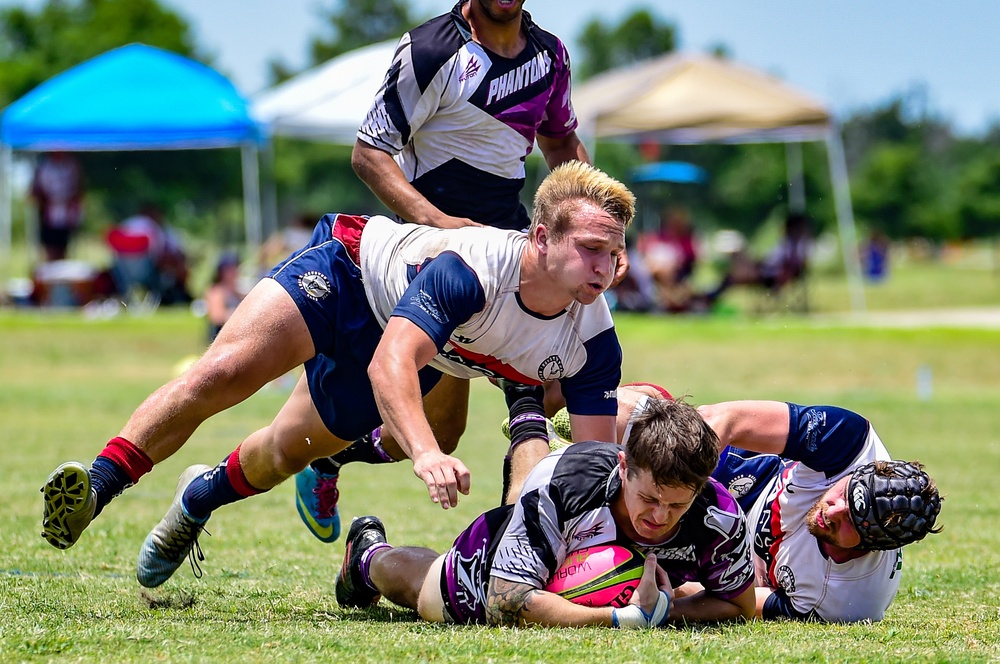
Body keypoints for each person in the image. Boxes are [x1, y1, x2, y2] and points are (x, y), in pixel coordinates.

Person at [39, 161, 634, 590]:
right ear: (540, 237)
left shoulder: (593, 339)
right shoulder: (475, 270)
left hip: (414, 341)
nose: (604, 268)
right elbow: (391, 362)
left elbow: (592, 462)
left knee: (281, 454)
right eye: (589, 249)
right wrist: (424, 454)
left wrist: (612, 551)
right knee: (220, 375)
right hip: (348, 277)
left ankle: (197, 499)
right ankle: (95, 487)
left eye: (614, 253)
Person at [296, 0, 629, 544]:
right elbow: (369, 155)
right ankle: (330, 461)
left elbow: (563, 144)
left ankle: (529, 546)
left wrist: (607, 231)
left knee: (527, 395)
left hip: (514, 253)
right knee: (443, 428)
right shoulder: (431, 50)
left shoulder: (550, 57)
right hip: (434, 261)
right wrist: (438, 222)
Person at [335, 397, 755, 627]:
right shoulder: (567, 482)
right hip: (500, 560)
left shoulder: (718, 515)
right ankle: (367, 557)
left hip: (580, 566)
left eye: (677, 504)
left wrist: (665, 612)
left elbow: (738, 605)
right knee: (427, 591)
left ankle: (528, 418)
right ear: (625, 467)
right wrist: (624, 619)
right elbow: (507, 600)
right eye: (649, 498)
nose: (660, 517)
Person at [550, 386, 944, 623]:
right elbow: (725, 420)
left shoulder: (848, 600)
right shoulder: (850, 443)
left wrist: (663, 606)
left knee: (635, 559)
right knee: (658, 414)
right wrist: (684, 490)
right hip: (750, 481)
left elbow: (741, 600)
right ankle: (551, 418)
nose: (832, 510)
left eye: (847, 525)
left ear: (871, 547)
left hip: (739, 562)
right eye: (843, 495)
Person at [30, 152, 84, 262]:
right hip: (48, 217)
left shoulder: (71, 165)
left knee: (63, 250)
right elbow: (33, 194)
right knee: (50, 251)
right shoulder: (44, 166)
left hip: (67, 218)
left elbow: (79, 190)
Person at [204, 253, 246, 343]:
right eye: (232, 268)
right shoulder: (216, 291)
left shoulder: (236, 291)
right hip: (219, 335)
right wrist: (242, 314)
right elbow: (217, 316)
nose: (236, 271)